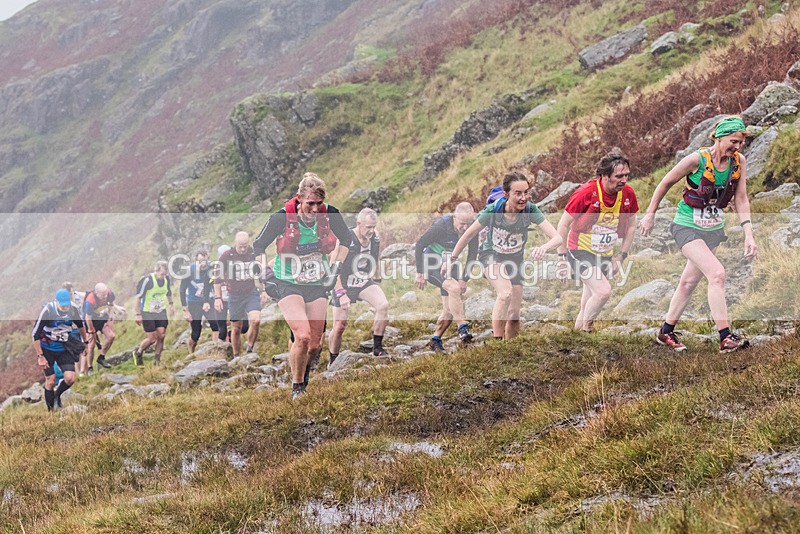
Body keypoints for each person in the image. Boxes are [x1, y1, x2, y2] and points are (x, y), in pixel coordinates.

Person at [639, 116, 756, 353]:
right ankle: (725, 337)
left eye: (741, 143)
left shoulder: (738, 162)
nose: (737, 147)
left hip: (713, 229)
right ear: (719, 137)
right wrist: (650, 214)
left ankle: (665, 331)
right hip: (686, 226)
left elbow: (741, 197)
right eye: (733, 141)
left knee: (689, 282)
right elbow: (664, 183)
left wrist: (748, 233)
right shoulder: (696, 159)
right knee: (717, 274)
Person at [253, 172, 352, 399]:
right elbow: (258, 247)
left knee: (315, 345)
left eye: (319, 203)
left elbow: (348, 241)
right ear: (299, 198)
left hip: (317, 283)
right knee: (303, 336)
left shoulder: (330, 214)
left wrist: (336, 267)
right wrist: (264, 273)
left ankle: (301, 371)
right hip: (287, 282)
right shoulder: (281, 218)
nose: (315, 209)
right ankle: (298, 388)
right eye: (310, 204)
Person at [451, 171, 562, 340]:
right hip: (491, 256)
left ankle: (510, 349)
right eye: (518, 193)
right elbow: (468, 235)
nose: (523, 198)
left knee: (514, 314)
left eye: (526, 192)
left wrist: (544, 247)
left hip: (514, 260)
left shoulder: (530, 210)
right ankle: (497, 342)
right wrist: (452, 258)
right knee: (505, 293)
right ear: (506, 194)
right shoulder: (493, 211)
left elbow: (558, 238)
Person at [556, 150, 638, 332]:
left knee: (587, 302)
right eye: (619, 176)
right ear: (604, 176)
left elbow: (632, 226)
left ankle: (578, 336)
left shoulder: (627, 194)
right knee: (602, 292)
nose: (624, 180)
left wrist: (621, 256)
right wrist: (561, 258)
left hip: (605, 253)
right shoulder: (586, 193)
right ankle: (587, 330)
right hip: (579, 251)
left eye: (626, 175)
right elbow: (562, 225)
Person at [328, 208, 389, 366]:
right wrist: (341, 293)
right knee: (340, 325)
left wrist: (377, 279)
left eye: (373, 227)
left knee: (383, 305)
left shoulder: (375, 238)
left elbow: (376, 258)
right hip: (342, 281)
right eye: (368, 227)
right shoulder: (346, 239)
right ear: (359, 224)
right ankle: (334, 359)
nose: (371, 231)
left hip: (361, 280)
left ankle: (377, 348)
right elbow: (333, 267)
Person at [414, 202, 479, 352]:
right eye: (462, 224)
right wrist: (420, 272)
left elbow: (472, 254)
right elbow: (419, 245)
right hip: (431, 263)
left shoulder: (472, 228)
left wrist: (464, 278)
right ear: (454, 217)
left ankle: (435, 339)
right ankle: (463, 328)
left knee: (450, 310)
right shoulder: (441, 226)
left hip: (450, 265)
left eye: (468, 224)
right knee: (454, 288)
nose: (465, 228)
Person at [32, 289, 88, 411]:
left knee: (70, 378)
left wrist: (86, 343)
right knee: (51, 381)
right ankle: (51, 411)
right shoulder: (48, 311)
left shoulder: (73, 309)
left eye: (67, 304)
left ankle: (57, 396)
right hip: (46, 349)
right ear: (56, 301)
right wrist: (40, 356)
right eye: (62, 305)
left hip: (64, 347)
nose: (65, 307)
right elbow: (35, 335)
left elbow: (80, 326)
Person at [214, 232, 268, 358]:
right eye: (240, 246)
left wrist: (264, 290)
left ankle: (249, 347)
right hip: (234, 295)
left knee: (256, 320)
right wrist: (218, 298)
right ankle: (236, 355)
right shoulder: (227, 256)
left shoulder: (253, 253)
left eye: (245, 246)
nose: (243, 249)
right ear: (235, 243)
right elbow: (217, 280)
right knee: (236, 328)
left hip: (251, 293)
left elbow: (261, 274)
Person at [133, 261, 174, 365]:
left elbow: (168, 292)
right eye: (161, 274)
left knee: (161, 335)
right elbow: (138, 297)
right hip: (147, 312)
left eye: (165, 274)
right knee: (152, 339)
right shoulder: (147, 280)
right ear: (156, 271)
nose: (163, 276)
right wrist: (137, 314)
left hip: (160, 311)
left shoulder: (166, 279)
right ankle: (138, 352)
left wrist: (171, 305)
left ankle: (157, 360)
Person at [180, 250, 215, 352]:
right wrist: (185, 310)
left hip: (208, 300)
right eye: (200, 261)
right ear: (195, 260)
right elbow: (182, 290)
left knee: (215, 324)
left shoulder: (211, 269)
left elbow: (217, 284)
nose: (202, 264)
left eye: (204, 261)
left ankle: (217, 348)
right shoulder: (189, 270)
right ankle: (191, 350)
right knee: (196, 332)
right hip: (194, 302)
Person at [82, 282, 118, 373]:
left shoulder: (109, 294)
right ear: (96, 292)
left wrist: (110, 318)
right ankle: (90, 368)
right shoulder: (90, 301)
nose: (105, 296)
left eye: (105, 293)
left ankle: (101, 357)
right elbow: (88, 317)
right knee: (91, 345)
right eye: (102, 294)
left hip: (101, 317)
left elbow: (112, 306)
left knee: (111, 336)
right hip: (89, 321)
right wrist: (91, 330)